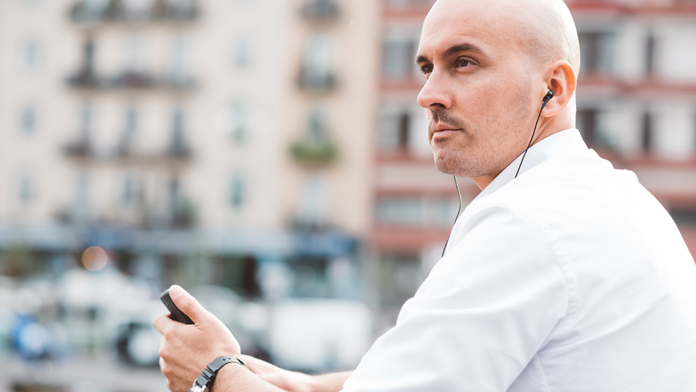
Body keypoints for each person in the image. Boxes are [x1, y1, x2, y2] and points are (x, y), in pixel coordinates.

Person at [154, 0, 696, 390]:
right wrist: (300, 384)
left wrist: (214, 374)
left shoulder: (528, 224)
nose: (428, 95)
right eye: (426, 67)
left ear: (552, 89)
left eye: (464, 62)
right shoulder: (621, 199)